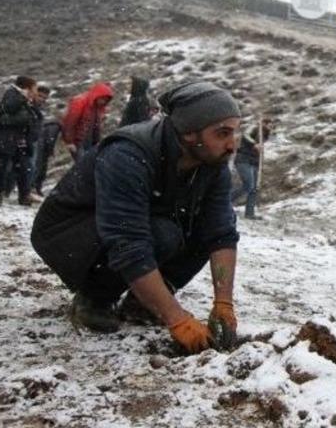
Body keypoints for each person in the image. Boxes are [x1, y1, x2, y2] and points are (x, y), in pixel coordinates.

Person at [30, 81, 242, 354]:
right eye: (222, 133)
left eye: (233, 133)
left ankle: (141, 303)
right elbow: (127, 241)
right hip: (69, 234)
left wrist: (223, 303)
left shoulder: (211, 163)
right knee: (162, 235)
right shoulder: (128, 153)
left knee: (199, 232)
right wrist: (176, 318)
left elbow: (221, 231)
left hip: (135, 227)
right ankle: (95, 297)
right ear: (190, 133)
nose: (231, 146)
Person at [0, 76, 38, 206]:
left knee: (23, 168)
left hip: (20, 140)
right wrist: (23, 99)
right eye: (34, 88)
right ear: (27, 87)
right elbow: (7, 111)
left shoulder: (26, 100)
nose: (35, 91)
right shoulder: (12, 94)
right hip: (7, 138)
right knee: (2, 167)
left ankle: (23, 196)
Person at [61, 82, 113, 162]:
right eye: (102, 99)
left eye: (105, 100)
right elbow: (70, 122)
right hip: (78, 141)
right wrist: (69, 142)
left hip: (90, 140)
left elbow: (97, 125)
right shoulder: (80, 102)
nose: (103, 102)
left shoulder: (99, 107)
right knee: (82, 164)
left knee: (90, 162)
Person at [231, 118, 271, 219]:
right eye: (269, 124)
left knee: (254, 189)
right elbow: (245, 135)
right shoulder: (254, 128)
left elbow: (260, 149)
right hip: (243, 160)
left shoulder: (265, 134)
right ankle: (224, 201)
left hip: (254, 162)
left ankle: (250, 213)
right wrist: (254, 144)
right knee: (249, 185)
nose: (271, 127)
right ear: (263, 123)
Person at [32, 106, 62, 196]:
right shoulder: (55, 125)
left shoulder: (46, 123)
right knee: (40, 168)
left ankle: (33, 188)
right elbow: (50, 139)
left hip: (38, 146)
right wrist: (50, 151)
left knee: (36, 168)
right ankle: (35, 188)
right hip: (42, 149)